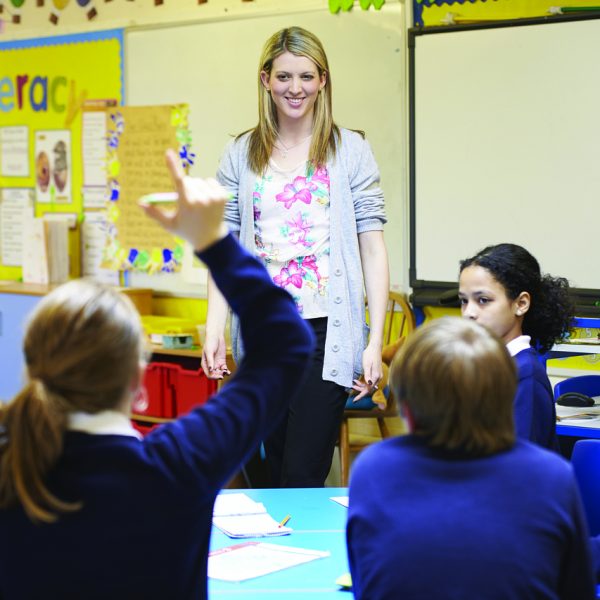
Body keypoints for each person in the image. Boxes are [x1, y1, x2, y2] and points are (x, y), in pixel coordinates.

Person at [0, 150, 314, 599]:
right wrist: (213, 241)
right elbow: (286, 343)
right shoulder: (178, 464)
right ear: (137, 381)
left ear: (33, 370)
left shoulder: (11, 470)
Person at [202, 26, 389, 488]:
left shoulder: (350, 150)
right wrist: (214, 329)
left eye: (306, 76)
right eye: (284, 76)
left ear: (323, 80)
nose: (295, 88)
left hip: (327, 332)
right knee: (266, 473)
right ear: (265, 79)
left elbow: (372, 247)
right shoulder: (240, 153)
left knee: (302, 474)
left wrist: (374, 341)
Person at [347, 317, 595, 600]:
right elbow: (577, 590)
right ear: (504, 398)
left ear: (407, 410)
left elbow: (365, 583)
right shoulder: (552, 476)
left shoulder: (374, 468)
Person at [459, 243, 572, 450]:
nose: (469, 313)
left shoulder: (525, 374)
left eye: (483, 300)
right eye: (464, 301)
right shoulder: (483, 366)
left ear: (521, 304)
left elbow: (518, 463)